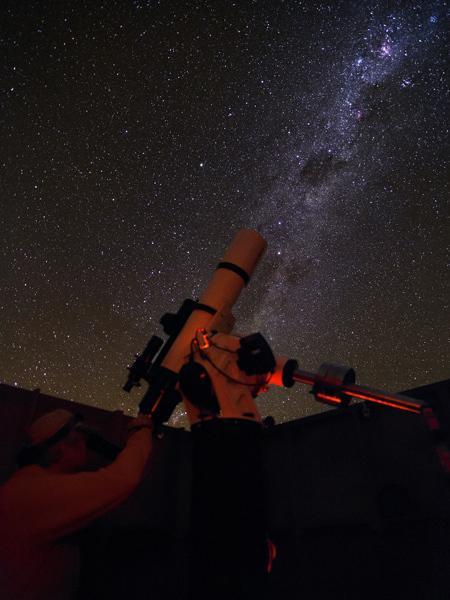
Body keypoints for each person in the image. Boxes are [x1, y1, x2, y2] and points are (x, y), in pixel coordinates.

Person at [0, 408, 153, 600]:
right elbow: (123, 479)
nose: (87, 445)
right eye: (82, 439)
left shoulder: (27, 486)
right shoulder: (35, 493)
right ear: (61, 448)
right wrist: (142, 430)